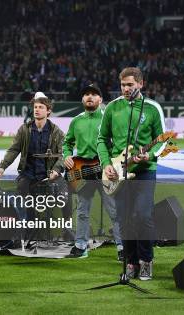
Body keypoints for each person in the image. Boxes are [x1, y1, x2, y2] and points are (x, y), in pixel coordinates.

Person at [97, 67, 166, 281]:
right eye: (123, 85)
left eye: (130, 85)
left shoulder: (153, 108)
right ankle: (130, 262)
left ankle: (146, 262)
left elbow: (163, 142)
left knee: (142, 216)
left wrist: (150, 156)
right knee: (125, 219)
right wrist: (106, 164)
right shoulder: (112, 108)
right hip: (119, 173)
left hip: (144, 172)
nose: (126, 89)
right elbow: (102, 140)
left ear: (140, 84)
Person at [0, 93, 73, 239]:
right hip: (28, 174)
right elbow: (14, 149)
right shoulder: (24, 129)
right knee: (24, 197)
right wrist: (3, 166)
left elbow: (63, 154)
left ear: (48, 111)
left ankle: (66, 229)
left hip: (50, 174)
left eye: (41, 107)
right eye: (35, 107)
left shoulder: (57, 132)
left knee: (66, 196)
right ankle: (29, 228)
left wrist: (57, 170)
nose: (37, 110)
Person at [63, 84, 123, 259]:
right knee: (82, 211)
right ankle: (81, 246)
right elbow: (67, 143)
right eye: (86, 94)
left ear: (100, 99)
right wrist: (67, 155)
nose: (89, 97)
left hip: (106, 170)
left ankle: (122, 247)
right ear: (82, 99)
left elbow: (118, 145)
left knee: (114, 210)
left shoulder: (109, 119)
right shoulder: (76, 121)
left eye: (94, 94)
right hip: (83, 172)